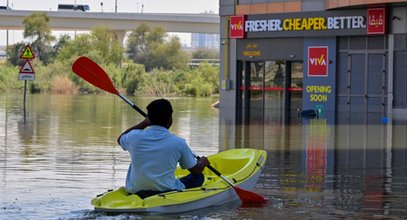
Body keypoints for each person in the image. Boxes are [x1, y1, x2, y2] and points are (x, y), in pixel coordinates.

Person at [117, 99, 210, 198]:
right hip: (167, 191)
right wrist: (202, 162)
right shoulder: (178, 142)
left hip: (135, 190)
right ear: (170, 120)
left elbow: (120, 139)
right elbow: (196, 170)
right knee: (198, 177)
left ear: (149, 119)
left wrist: (144, 123)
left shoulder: (134, 137)